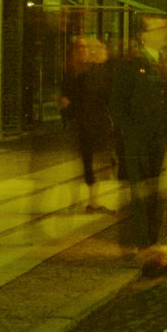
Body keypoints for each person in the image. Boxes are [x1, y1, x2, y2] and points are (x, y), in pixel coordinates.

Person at [109, 14, 167, 267]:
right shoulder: (131, 64)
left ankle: (150, 242)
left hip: (157, 140)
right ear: (144, 36)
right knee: (140, 194)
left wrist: (166, 132)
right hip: (137, 141)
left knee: (153, 192)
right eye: (161, 28)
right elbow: (117, 104)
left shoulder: (161, 61)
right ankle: (141, 245)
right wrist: (130, 135)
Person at [60, 36, 114, 213]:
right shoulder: (83, 72)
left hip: (94, 122)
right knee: (88, 163)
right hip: (86, 124)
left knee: (90, 163)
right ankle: (89, 202)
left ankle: (87, 201)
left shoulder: (96, 70)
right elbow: (76, 98)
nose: (99, 51)